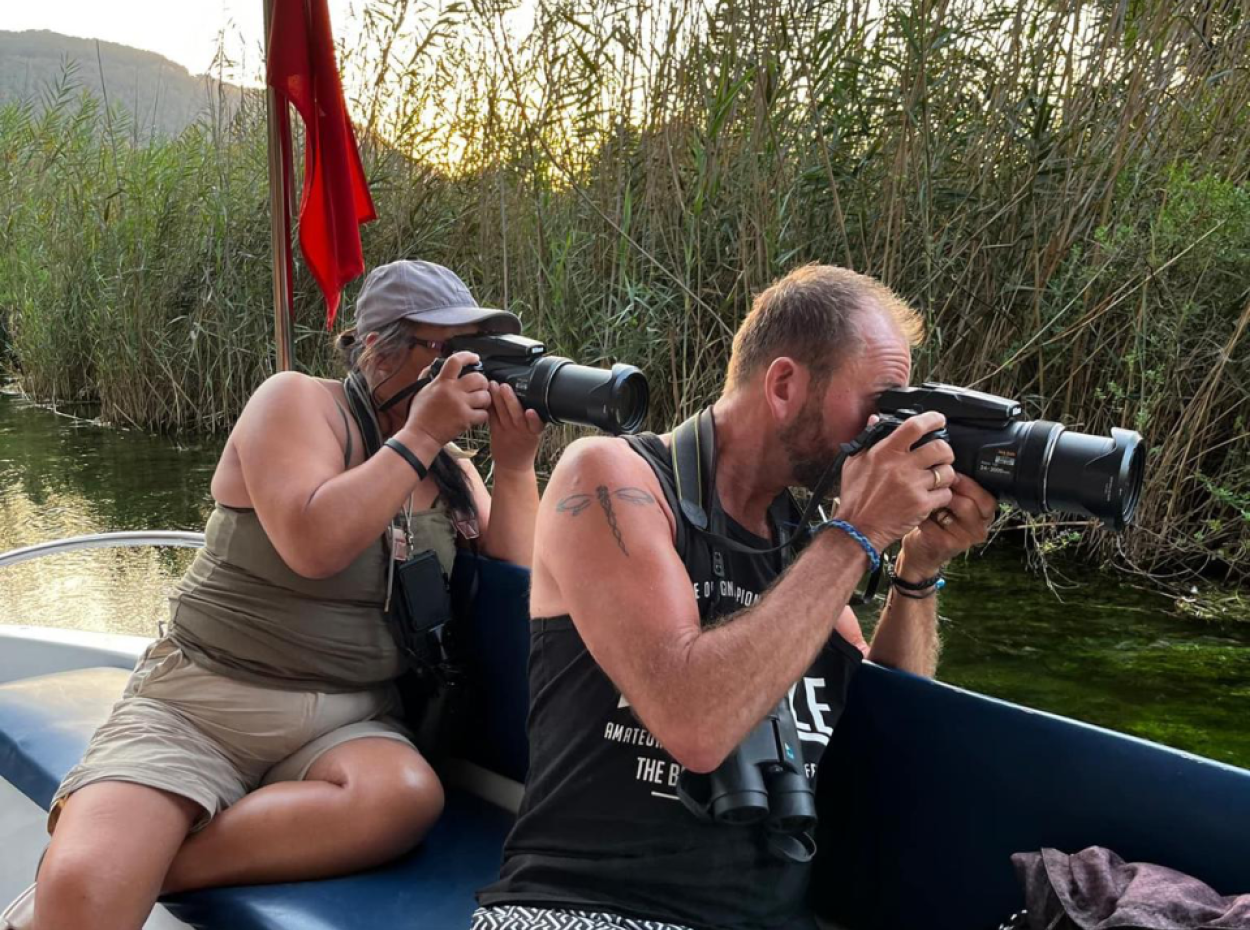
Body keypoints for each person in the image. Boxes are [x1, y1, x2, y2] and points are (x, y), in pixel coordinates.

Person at [4, 260, 545, 930]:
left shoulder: (452, 471)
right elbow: (314, 544)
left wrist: (515, 464)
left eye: (478, 351)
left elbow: (516, 586)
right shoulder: (296, 403)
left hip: (350, 716)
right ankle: (94, 879)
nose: (467, 369)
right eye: (446, 350)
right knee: (86, 893)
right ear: (376, 348)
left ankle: (137, 868)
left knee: (403, 797)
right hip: (202, 701)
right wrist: (422, 433)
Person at [473, 264, 998, 930]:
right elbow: (695, 725)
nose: (891, 433)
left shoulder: (803, 543)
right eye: (880, 404)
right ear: (784, 385)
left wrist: (916, 567)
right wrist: (858, 531)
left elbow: (885, 716)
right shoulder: (611, 479)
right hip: (587, 909)